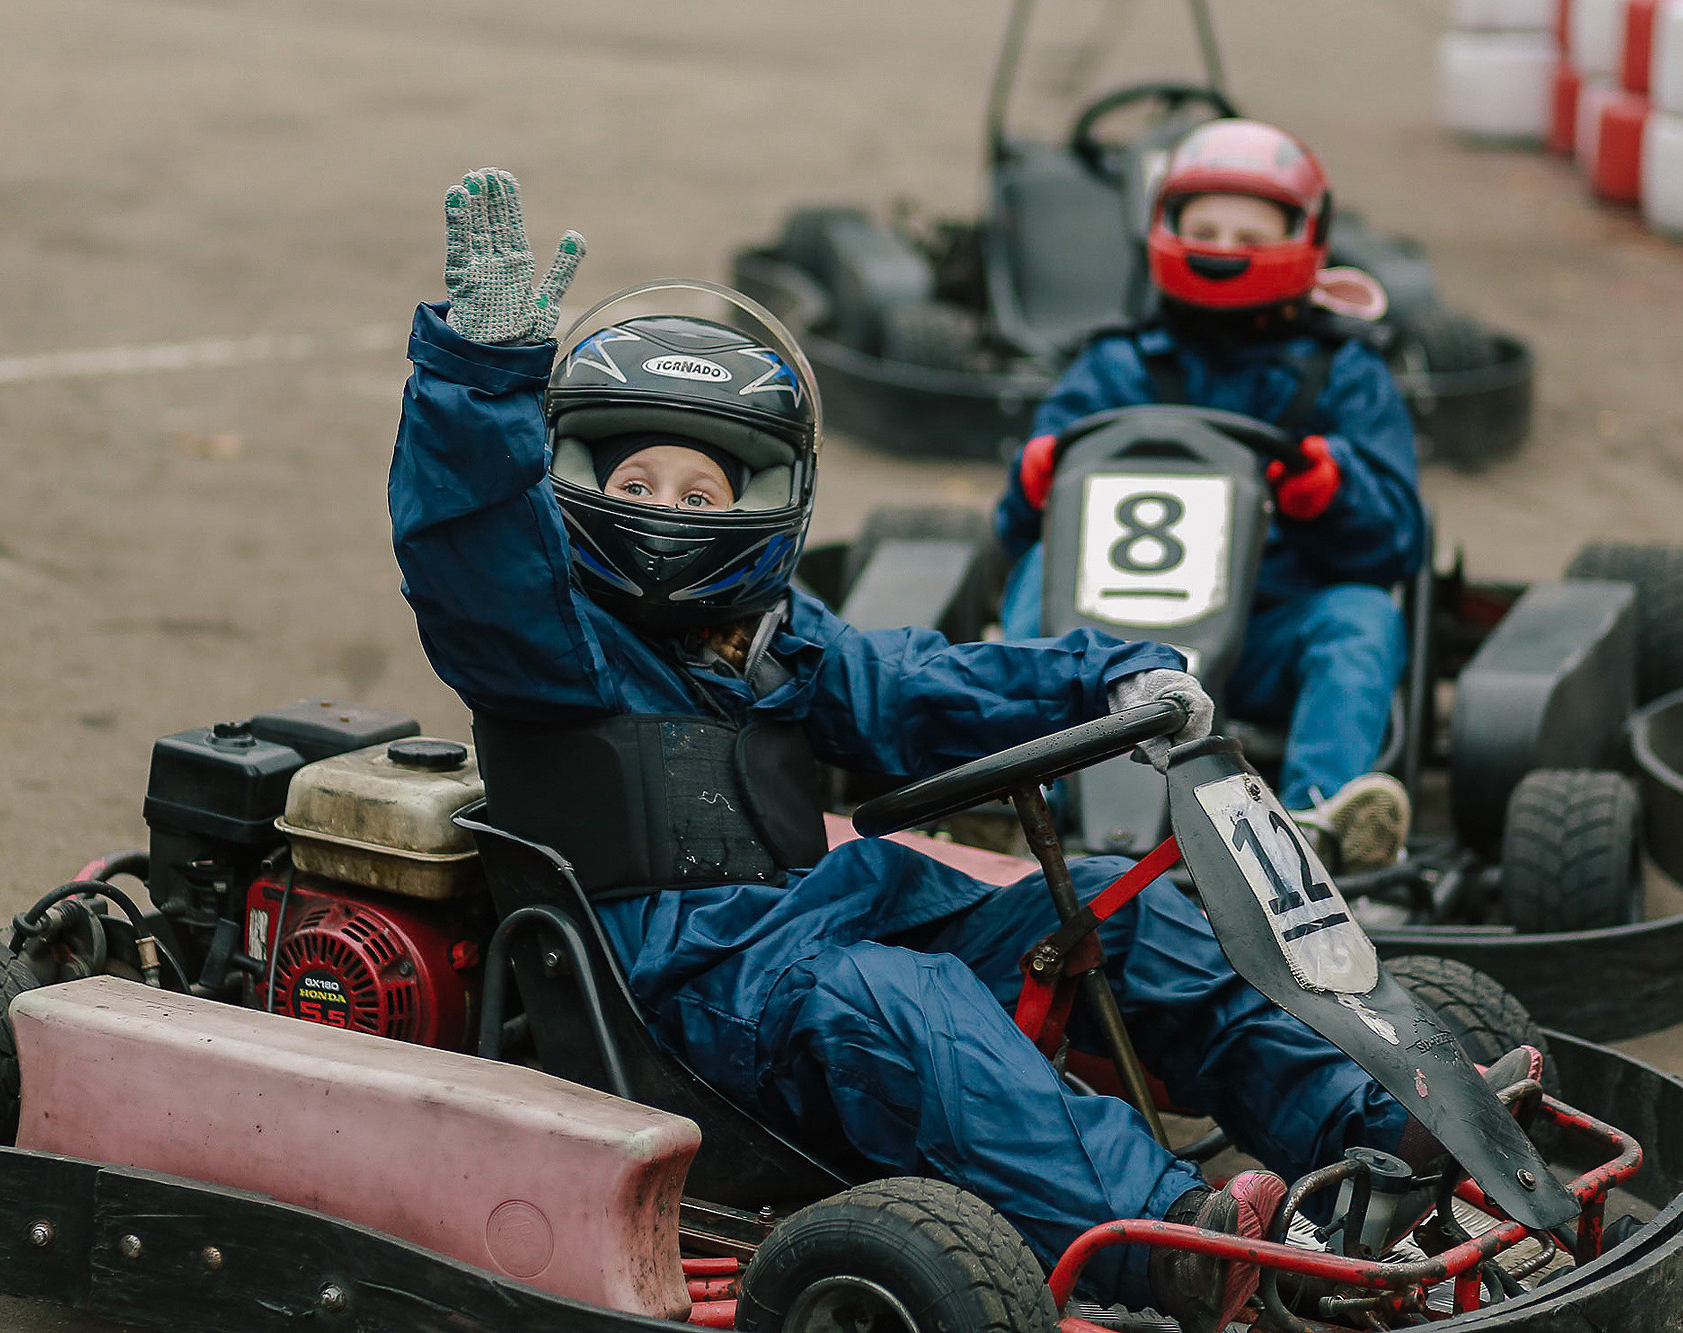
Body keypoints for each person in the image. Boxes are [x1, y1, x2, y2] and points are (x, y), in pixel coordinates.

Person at [391, 167, 1438, 1332]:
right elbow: (466, 542)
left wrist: (1109, 671)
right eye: (635, 481)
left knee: (1115, 907)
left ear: (770, 498)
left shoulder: (774, 644)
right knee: (902, 1000)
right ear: (571, 478)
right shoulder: (550, 645)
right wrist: (476, 381)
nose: (670, 509)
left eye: (702, 487)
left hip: (825, 919)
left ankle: (1379, 1133)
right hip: (690, 986)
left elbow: (927, 684)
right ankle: (1176, 1241)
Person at [994, 120, 1425, 875]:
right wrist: (1034, 484)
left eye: (1247, 231)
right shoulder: (1115, 363)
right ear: (1164, 231)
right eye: (1206, 228)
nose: (1223, 246)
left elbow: (1399, 543)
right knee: (1034, 575)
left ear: (1304, 237)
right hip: (1105, 637)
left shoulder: (1343, 375)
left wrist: (1331, 490)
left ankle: (1317, 827)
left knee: (1361, 616)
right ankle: (1032, 792)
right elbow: (1015, 527)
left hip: (1263, 630)